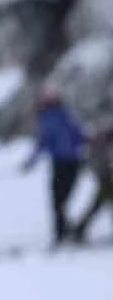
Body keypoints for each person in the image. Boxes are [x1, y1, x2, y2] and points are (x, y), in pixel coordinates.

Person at [22, 89, 87, 246]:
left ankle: (62, 234)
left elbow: (43, 143)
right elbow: (79, 135)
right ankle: (65, 232)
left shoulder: (51, 117)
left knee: (58, 200)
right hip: (69, 162)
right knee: (61, 200)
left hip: (65, 163)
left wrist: (30, 162)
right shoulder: (65, 114)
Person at [71, 128, 112, 243]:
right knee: (97, 204)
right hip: (106, 177)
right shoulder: (103, 137)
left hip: (105, 176)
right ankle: (79, 230)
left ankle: (79, 230)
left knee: (97, 204)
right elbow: (95, 160)